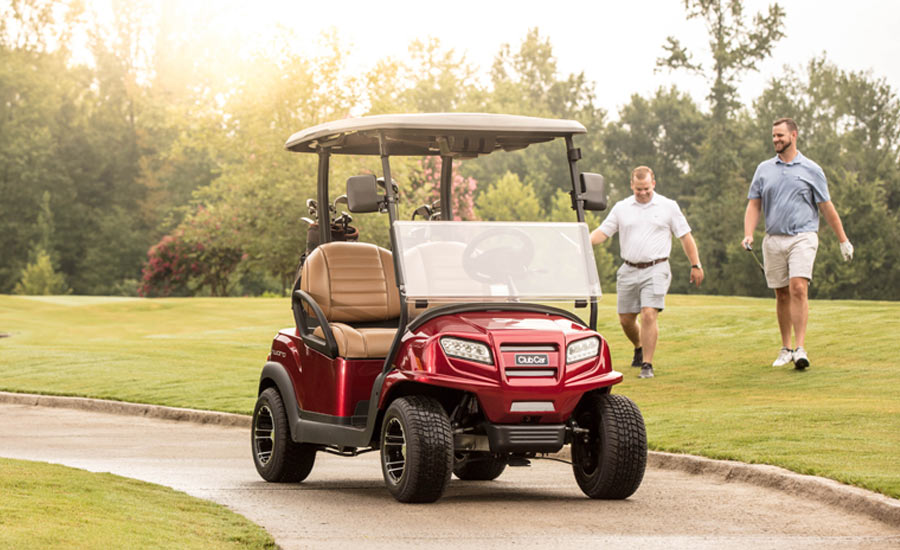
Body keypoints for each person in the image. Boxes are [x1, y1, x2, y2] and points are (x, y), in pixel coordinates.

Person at [742, 117, 853, 370]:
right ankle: (786, 348)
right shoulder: (764, 169)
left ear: (794, 135)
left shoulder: (812, 169)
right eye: (773, 136)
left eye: (780, 135)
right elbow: (754, 204)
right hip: (773, 238)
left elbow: (826, 207)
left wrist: (843, 240)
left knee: (798, 288)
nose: (776, 140)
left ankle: (800, 348)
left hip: (803, 236)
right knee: (781, 293)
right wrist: (749, 233)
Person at [591, 166, 703, 379]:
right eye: (638, 189)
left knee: (649, 313)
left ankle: (647, 365)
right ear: (631, 185)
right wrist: (584, 242)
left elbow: (685, 236)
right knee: (626, 319)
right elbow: (603, 233)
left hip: (657, 267)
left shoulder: (668, 206)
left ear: (654, 183)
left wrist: (695, 264)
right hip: (628, 268)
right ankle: (638, 346)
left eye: (646, 189)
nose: (642, 193)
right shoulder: (622, 207)